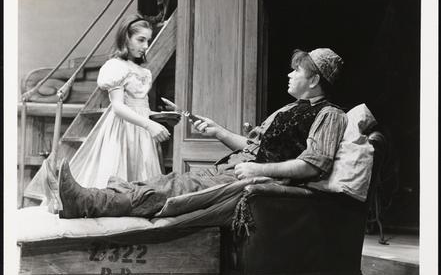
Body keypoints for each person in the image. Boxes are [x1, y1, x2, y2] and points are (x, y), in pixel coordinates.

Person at [57, 47, 348, 220]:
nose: (289, 74)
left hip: (250, 180)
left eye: (297, 71)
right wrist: (219, 132)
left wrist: (258, 169)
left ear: (314, 80)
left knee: (173, 190)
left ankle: (87, 202)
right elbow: (254, 147)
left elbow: (313, 164)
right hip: (234, 169)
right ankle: (89, 198)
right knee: (168, 181)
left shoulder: (330, 114)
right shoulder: (288, 109)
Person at [67, 14, 171, 189]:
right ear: (126, 38)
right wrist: (149, 125)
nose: (146, 46)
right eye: (141, 40)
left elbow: (140, 107)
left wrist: (159, 116)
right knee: (118, 178)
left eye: (148, 41)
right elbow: (118, 106)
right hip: (123, 129)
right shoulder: (116, 66)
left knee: (142, 180)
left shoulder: (144, 72)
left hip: (141, 131)